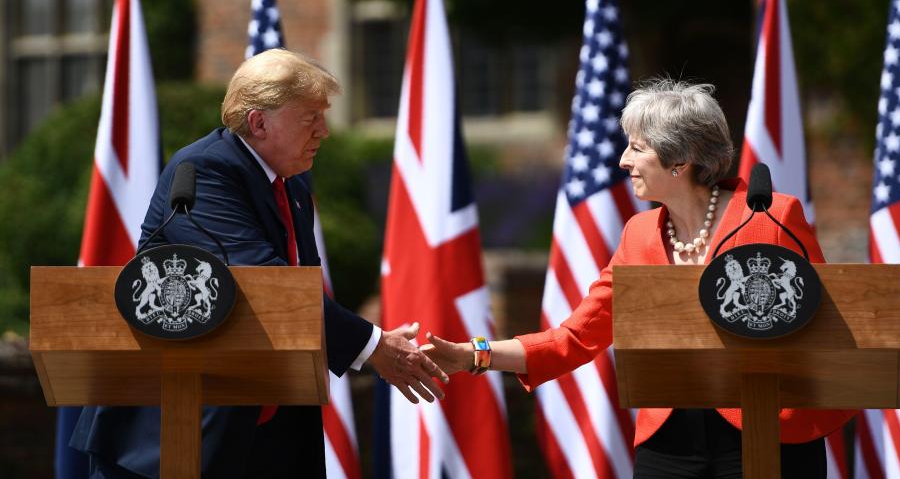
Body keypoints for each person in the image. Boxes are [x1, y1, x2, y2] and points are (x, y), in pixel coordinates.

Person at [424, 79, 854, 478]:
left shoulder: (772, 217)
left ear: (679, 159)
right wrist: (473, 355)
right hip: (670, 445)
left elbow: (830, 326)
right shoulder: (640, 235)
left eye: (637, 148)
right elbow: (574, 337)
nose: (623, 160)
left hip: (767, 434)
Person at [71, 49, 448, 478]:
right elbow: (265, 282)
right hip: (168, 436)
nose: (324, 131)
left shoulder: (293, 186)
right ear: (258, 122)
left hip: (263, 434)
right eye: (311, 117)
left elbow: (296, 295)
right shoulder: (205, 170)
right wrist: (373, 345)